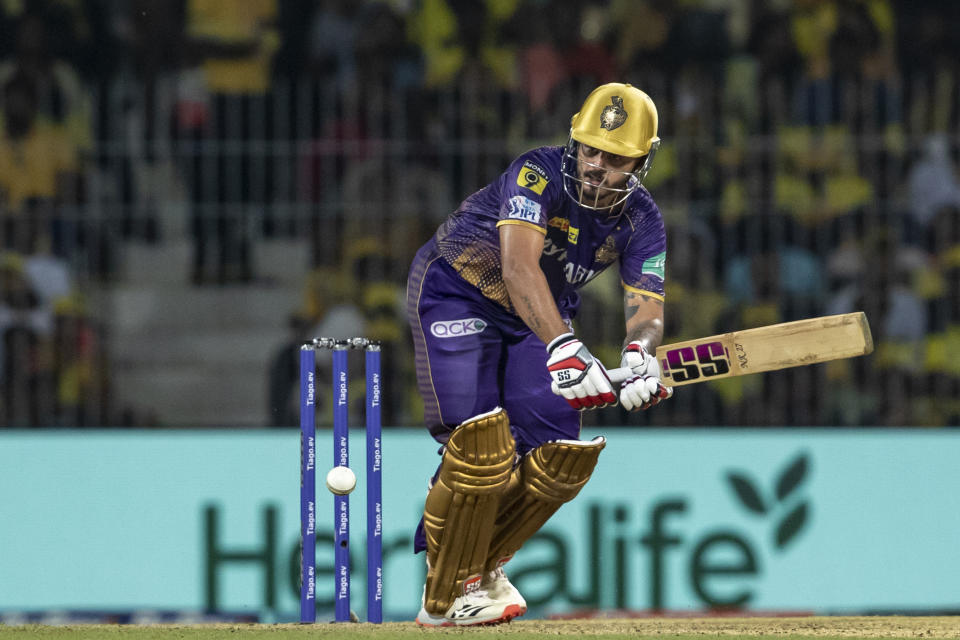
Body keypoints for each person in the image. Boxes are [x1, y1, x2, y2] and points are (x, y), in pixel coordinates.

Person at [405, 83, 672, 626]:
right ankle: (446, 591)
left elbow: (647, 311)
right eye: (590, 149)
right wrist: (565, 347)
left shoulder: (644, 220)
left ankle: (484, 567)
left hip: (538, 318)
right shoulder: (536, 172)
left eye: (615, 157)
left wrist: (641, 354)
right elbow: (518, 268)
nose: (596, 166)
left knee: (558, 457)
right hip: (459, 288)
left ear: (642, 160)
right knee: (479, 444)